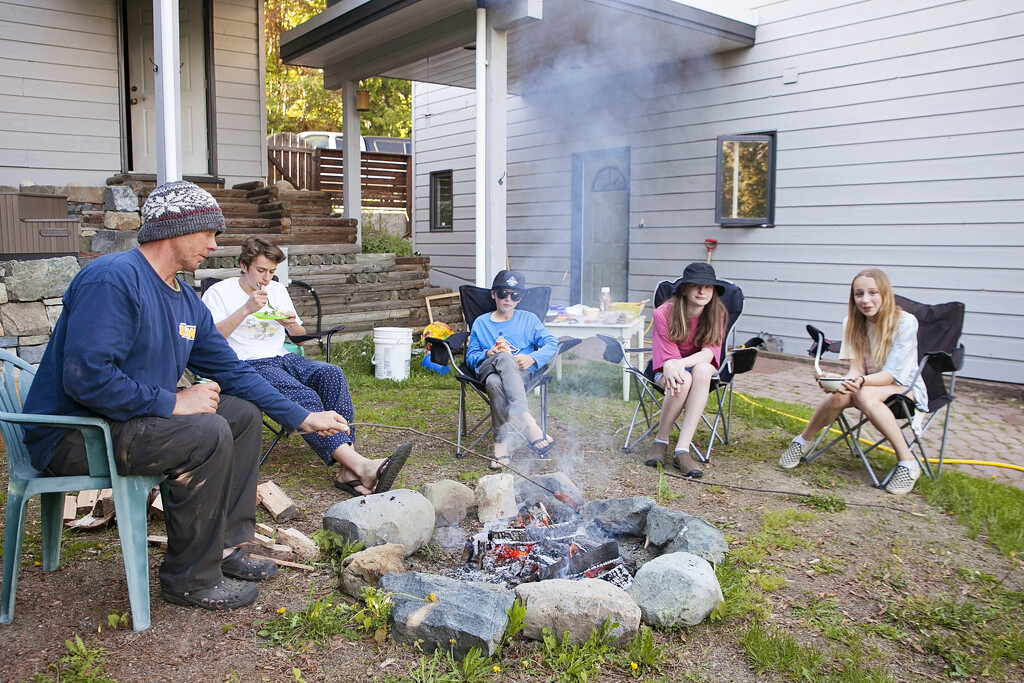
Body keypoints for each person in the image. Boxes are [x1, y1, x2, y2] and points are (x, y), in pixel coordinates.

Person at [21, 180, 354, 612]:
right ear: (176, 230)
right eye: (208, 234)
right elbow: (87, 379)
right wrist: (174, 403)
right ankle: (189, 580)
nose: (214, 247)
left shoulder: (184, 300)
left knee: (241, 414)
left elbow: (231, 371)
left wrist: (301, 417)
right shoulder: (113, 280)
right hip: (77, 436)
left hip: (127, 425)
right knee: (207, 430)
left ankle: (227, 547)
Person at [201, 236, 410, 495]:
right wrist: (246, 309)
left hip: (282, 356)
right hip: (246, 363)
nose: (267, 278)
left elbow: (299, 335)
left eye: (272, 272)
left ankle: (348, 467)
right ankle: (360, 466)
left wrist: (290, 324)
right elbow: (210, 338)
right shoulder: (220, 292)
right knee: (304, 395)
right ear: (244, 266)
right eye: (261, 271)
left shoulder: (277, 291)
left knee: (331, 373)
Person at [778, 268, 928, 495]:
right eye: (859, 294)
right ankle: (802, 441)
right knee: (839, 394)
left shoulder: (906, 322)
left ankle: (907, 462)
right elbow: (856, 369)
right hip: (866, 382)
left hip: (904, 386)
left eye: (872, 293)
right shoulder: (852, 322)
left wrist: (859, 381)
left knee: (863, 393)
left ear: (885, 293)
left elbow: (891, 375)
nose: (865, 300)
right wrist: (835, 380)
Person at [465, 270, 559, 469]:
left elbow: (552, 342)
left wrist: (532, 357)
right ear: (493, 295)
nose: (508, 299)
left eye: (514, 295)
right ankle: (528, 421)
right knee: (503, 359)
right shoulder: (481, 323)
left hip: (518, 374)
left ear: (520, 298)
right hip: (487, 368)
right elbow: (471, 357)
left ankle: (500, 444)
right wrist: (487, 354)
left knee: (494, 383)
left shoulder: (529, 319)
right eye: (502, 294)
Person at [645, 262, 727, 479]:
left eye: (708, 287)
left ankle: (682, 449)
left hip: (689, 369)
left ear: (713, 291)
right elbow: (668, 361)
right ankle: (661, 441)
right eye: (696, 286)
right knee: (684, 379)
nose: (702, 291)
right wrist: (675, 365)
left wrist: (679, 364)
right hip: (666, 370)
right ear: (684, 289)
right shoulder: (664, 313)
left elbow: (709, 354)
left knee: (700, 370)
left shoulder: (718, 313)